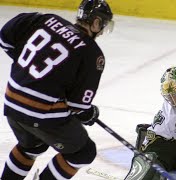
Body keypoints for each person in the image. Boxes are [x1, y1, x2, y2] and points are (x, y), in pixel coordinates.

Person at [0, 0, 114, 179]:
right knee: (83, 152)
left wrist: (26, 69)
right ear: (96, 22)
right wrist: (89, 113)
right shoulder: (92, 53)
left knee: (32, 146)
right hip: (39, 113)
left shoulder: (47, 19)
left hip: (11, 101)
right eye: (103, 24)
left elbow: (5, 36)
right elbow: (78, 106)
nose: (101, 30)